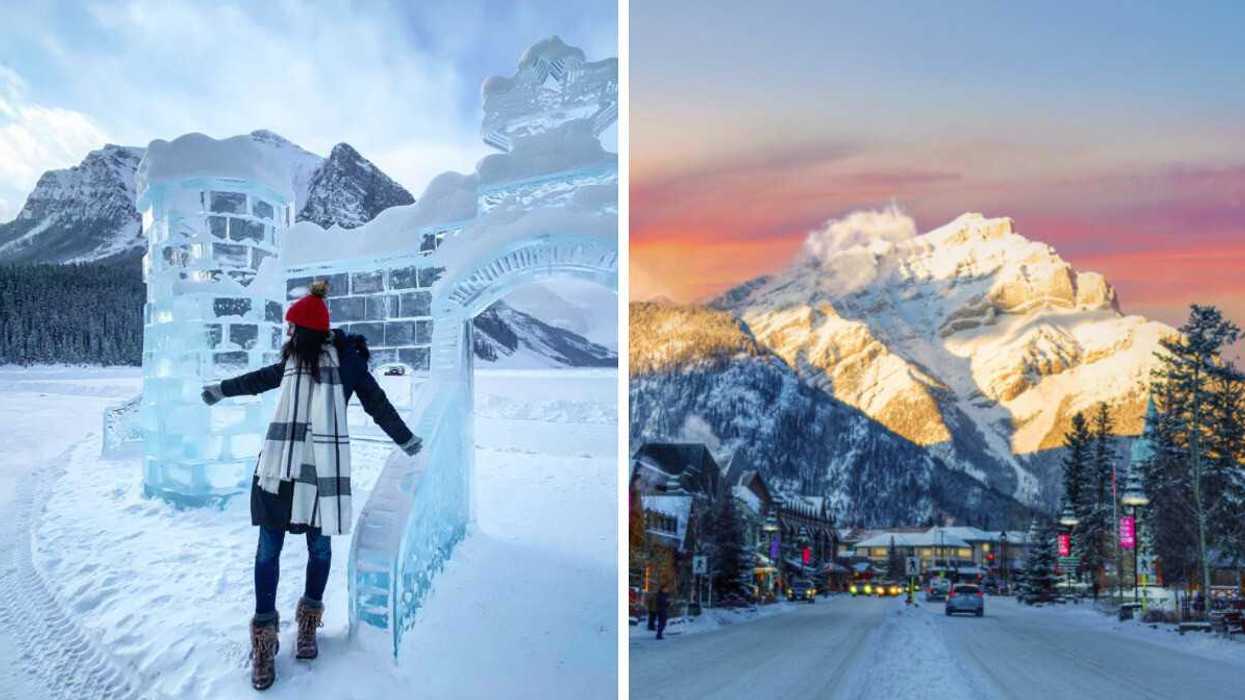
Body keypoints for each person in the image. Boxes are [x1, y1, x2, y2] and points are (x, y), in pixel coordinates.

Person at [201, 280, 422, 691]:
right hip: (278, 469)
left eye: (292, 328)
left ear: (306, 332)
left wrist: (405, 438)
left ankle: (308, 625)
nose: (288, 334)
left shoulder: (348, 364)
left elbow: (377, 403)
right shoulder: (292, 361)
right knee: (268, 550)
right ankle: (264, 639)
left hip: (321, 473)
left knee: (319, 549)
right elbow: (258, 379)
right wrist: (221, 390)